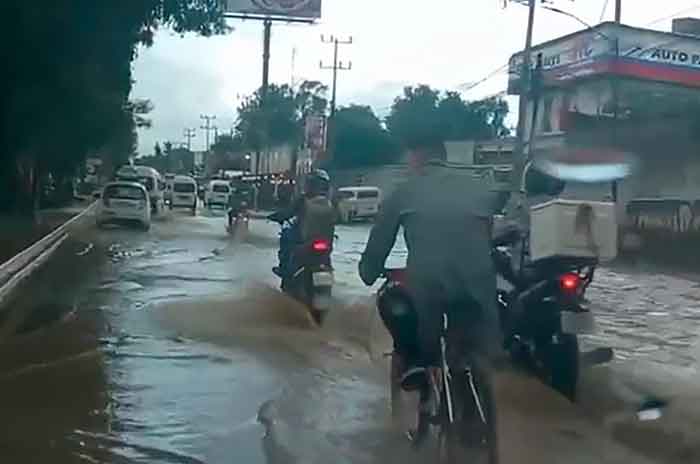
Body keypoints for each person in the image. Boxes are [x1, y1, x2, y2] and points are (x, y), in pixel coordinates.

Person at [358, 141, 506, 390]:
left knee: (394, 302)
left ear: (417, 159)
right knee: (477, 341)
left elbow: (380, 241)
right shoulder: (477, 187)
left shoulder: (405, 190)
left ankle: (416, 363)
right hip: (479, 284)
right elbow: (492, 228)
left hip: (429, 284)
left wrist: (369, 272)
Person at [268, 169, 336, 279]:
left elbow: (288, 213)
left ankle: (284, 268)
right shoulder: (330, 202)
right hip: (325, 244)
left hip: (305, 242)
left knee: (285, 234)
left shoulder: (303, 200)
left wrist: (274, 217)